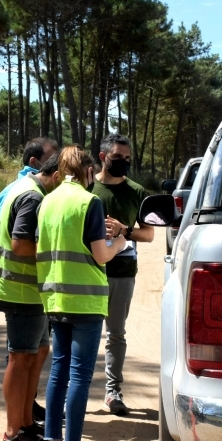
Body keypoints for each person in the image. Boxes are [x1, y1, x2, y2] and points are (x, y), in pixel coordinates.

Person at [36, 145, 126, 441]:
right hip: (85, 299)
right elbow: (101, 255)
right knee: (79, 375)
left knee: (58, 371)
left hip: (55, 297)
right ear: (88, 171)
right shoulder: (90, 202)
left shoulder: (47, 202)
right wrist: (120, 243)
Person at [0, 154, 61, 441]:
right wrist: (55, 251)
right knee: (20, 358)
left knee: (38, 351)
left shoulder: (27, 188)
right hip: (21, 291)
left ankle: (26, 422)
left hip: (30, 291)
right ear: (56, 176)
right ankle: (13, 431)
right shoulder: (32, 197)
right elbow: (20, 244)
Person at [91, 133, 154, 417]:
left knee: (116, 334)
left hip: (123, 273)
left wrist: (124, 230)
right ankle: (73, 391)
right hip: (89, 273)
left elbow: (149, 234)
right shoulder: (88, 188)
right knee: (85, 333)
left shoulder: (138, 192)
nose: (124, 163)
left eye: (128, 158)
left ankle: (113, 392)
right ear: (103, 157)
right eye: (118, 158)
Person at [0, 137, 60, 231]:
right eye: (50, 160)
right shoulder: (30, 194)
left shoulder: (14, 189)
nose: (55, 165)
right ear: (33, 162)